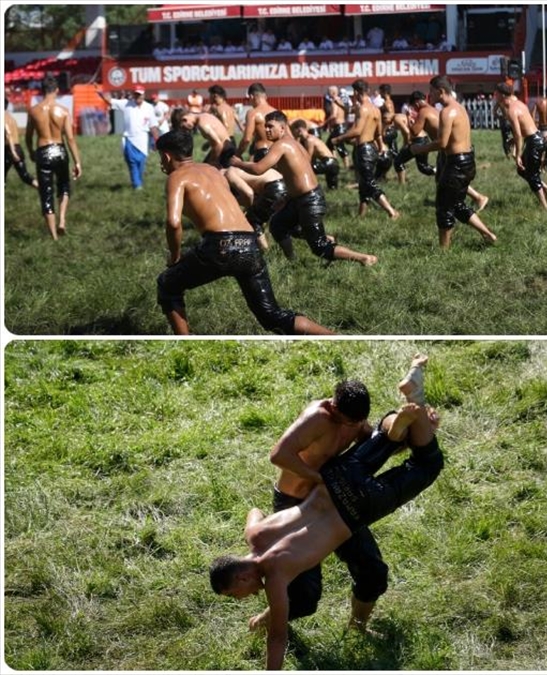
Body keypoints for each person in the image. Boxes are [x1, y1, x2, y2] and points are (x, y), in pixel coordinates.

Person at [210, 385, 442, 669]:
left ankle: (414, 407)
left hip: (356, 508)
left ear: (242, 578)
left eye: (236, 594)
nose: (244, 597)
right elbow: (254, 511)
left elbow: (278, 638)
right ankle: (411, 410)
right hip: (335, 478)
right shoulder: (254, 534)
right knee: (384, 438)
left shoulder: (275, 577)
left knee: (427, 465)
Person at [256, 357, 431, 638]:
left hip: (335, 502)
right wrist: (321, 479)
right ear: (334, 408)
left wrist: (407, 435)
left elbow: (372, 448)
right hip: (295, 503)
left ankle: (358, 627)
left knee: (373, 573)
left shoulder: (355, 421)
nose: (356, 426)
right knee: (305, 597)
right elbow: (279, 454)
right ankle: (263, 622)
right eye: (350, 421)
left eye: (359, 421)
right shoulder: (317, 417)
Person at [152, 129, 332, 335]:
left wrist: (175, 257)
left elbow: (173, 223)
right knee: (272, 316)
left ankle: (184, 343)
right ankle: (335, 337)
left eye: (161, 157)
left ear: (166, 156)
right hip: (249, 242)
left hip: (219, 246)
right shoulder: (213, 171)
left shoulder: (177, 177)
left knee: (167, 285)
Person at [232, 110, 378, 266]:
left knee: (319, 247)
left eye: (270, 127)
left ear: (282, 128)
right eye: (265, 126)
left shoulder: (282, 144)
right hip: (299, 199)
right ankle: (293, 261)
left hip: (310, 200)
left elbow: (258, 169)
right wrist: (286, 199)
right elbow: (296, 174)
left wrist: (238, 163)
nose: (266, 130)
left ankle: (364, 258)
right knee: (278, 225)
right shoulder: (292, 143)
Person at [409, 76, 497, 248]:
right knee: (456, 204)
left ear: (441, 92)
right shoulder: (460, 108)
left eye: (431, 91)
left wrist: (419, 149)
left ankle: (443, 252)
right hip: (468, 160)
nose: (429, 95)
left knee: (443, 208)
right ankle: (488, 234)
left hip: (456, 164)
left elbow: (442, 142)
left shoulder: (447, 112)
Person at [331, 79, 400, 220]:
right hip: (372, 149)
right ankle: (361, 215)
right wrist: (380, 147)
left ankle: (392, 211)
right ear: (367, 90)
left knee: (369, 183)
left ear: (356, 92)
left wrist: (338, 139)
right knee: (363, 184)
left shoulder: (363, 109)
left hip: (364, 150)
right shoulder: (375, 109)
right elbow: (378, 133)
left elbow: (357, 131)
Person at [26, 75, 82, 240]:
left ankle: (54, 238)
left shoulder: (34, 111)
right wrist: (77, 162)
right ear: (57, 90)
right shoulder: (63, 111)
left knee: (46, 193)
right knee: (64, 185)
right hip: (60, 150)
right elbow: (70, 138)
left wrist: (30, 152)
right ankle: (62, 220)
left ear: (42, 90)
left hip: (43, 151)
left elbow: (28, 137)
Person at [233, 82, 287, 247]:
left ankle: (259, 234)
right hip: (277, 154)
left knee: (261, 193)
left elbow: (247, 138)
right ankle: (271, 230)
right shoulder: (276, 113)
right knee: (276, 195)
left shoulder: (253, 113)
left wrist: (237, 155)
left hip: (263, 153)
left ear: (251, 96)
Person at [496, 82, 547, 210]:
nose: (494, 96)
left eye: (496, 94)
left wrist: (517, 156)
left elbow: (517, 134)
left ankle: (546, 208)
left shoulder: (511, 110)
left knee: (531, 176)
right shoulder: (519, 103)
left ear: (501, 95)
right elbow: (525, 127)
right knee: (523, 171)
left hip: (534, 142)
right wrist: (514, 140)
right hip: (536, 138)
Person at [100, 86, 155, 190]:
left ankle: (138, 182)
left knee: (141, 165)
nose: (138, 96)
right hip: (129, 140)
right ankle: (137, 185)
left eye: (140, 94)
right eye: (136, 94)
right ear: (133, 94)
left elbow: (153, 125)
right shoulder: (126, 104)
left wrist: (157, 140)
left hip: (143, 141)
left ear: (144, 95)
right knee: (132, 163)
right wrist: (101, 91)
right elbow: (109, 100)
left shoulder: (149, 107)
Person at [170, 108, 236, 168]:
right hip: (227, 147)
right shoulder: (204, 115)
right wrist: (208, 143)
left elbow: (219, 145)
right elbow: (218, 136)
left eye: (183, 128)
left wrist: (213, 162)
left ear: (184, 119)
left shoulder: (202, 124)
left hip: (226, 151)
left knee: (205, 172)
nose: (186, 130)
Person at [290, 119, 341, 190]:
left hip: (329, 163)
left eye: (293, 130)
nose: (292, 133)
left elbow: (308, 158)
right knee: (332, 189)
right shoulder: (310, 138)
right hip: (333, 163)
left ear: (299, 130)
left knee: (304, 170)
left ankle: (304, 188)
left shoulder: (309, 140)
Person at [5, 101, 37, 188]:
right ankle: (42, 188)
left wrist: (12, 152)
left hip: (8, 150)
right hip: (18, 148)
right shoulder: (11, 118)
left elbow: (8, 134)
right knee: (25, 175)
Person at [323, 85, 351, 168]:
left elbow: (334, 115)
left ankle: (346, 166)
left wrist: (325, 122)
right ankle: (334, 162)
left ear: (333, 92)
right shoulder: (340, 101)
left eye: (329, 92)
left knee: (340, 146)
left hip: (339, 127)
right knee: (330, 144)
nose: (328, 93)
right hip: (340, 126)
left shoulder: (334, 101)